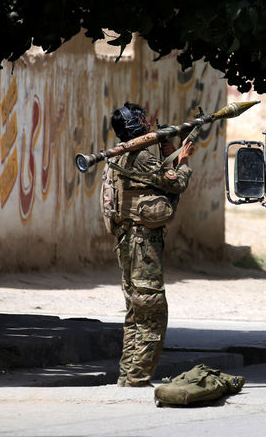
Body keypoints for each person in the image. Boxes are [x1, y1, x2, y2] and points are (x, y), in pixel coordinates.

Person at [106, 102, 195, 387]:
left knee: (136, 310)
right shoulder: (140, 158)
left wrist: (167, 143)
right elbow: (174, 183)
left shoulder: (120, 156)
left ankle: (127, 376)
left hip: (127, 239)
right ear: (136, 127)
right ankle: (137, 378)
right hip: (142, 242)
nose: (148, 124)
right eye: (143, 121)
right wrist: (185, 161)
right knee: (152, 311)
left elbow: (158, 176)